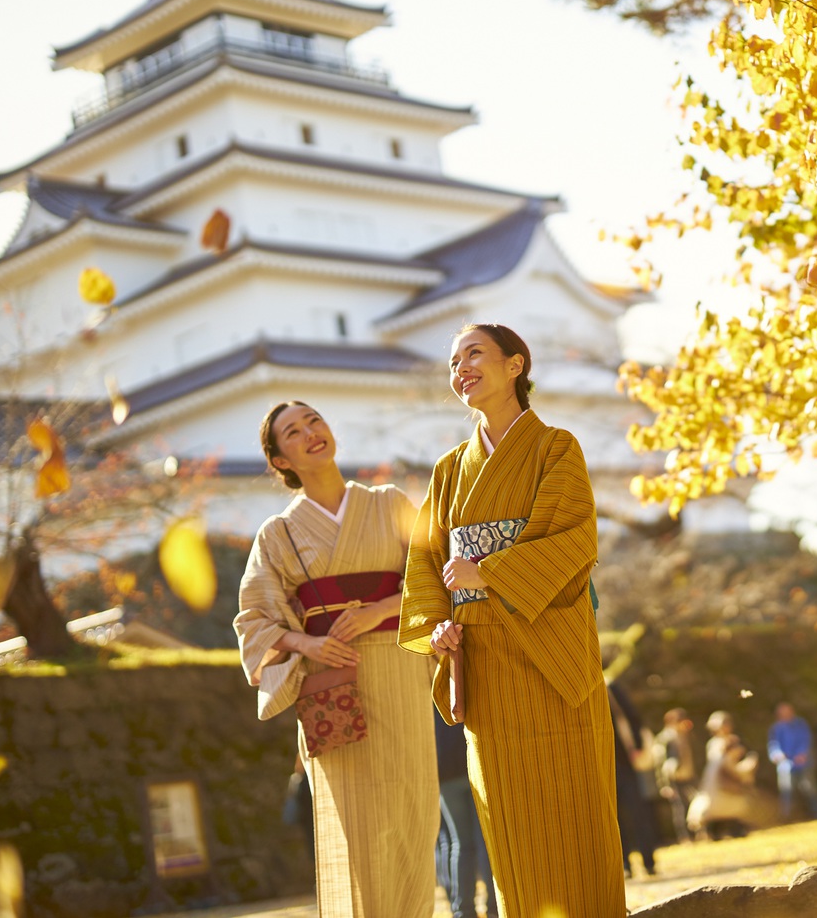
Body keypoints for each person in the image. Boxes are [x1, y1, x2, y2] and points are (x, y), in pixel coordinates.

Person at [400, 324, 624, 918]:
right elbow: (426, 568)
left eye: (474, 354)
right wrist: (436, 631)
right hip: (488, 663)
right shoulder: (449, 472)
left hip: (552, 653)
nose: (460, 369)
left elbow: (574, 538)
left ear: (515, 365)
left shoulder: (556, 448)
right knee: (509, 815)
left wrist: (488, 572)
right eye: (453, 362)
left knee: (574, 806)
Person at [235, 401, 438, 918]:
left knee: (414, 813)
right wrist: (307, 645)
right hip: (332, 684)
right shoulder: (276, 535)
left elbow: (437, 576)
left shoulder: (389, 502)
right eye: (293, 432)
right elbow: (252, 620)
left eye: (314, 421)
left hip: (399, 668)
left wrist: (383, 609)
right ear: (280, 460)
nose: (310, 433)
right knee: (358, 826)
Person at [435, 718, 495, 918]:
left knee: (460, 843)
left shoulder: (430, 690)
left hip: (445, 771)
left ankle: (463, 910)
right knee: (486, 841)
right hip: (473, 762)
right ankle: (494, 907)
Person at [608, 680, 658, 877]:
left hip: (625, 763)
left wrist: (637, 746)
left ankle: (648, 861)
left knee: (638, 813)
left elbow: (631, 717)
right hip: (605, 765)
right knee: (614, 819)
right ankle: (625, 864)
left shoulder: (610, 687)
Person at [687, 711, 760, 839]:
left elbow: (736, 760)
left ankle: (736, 829)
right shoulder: (713, 744)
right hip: (716, 779)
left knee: (733, 805)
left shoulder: (734, 740)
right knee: (715, 806)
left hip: (730, 778)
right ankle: (713, 832)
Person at [766, 702, 817, 822]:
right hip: (785, 765)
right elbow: (773, 745)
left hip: (803, 762)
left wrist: (802, 754)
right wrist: (777, 755)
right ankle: (787, 818)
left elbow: (806, 740)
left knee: (810, 788)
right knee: (787, 791)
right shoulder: (776, 728)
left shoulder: (800, 724)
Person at [654, 708, 699, 843]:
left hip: (689, 774)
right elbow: (660, 763)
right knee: (680, 808)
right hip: (674, 778)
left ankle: (699, 833)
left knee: (696, 803)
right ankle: (684, 837)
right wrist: (664, 784)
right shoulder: (665, 739)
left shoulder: (686, 735)